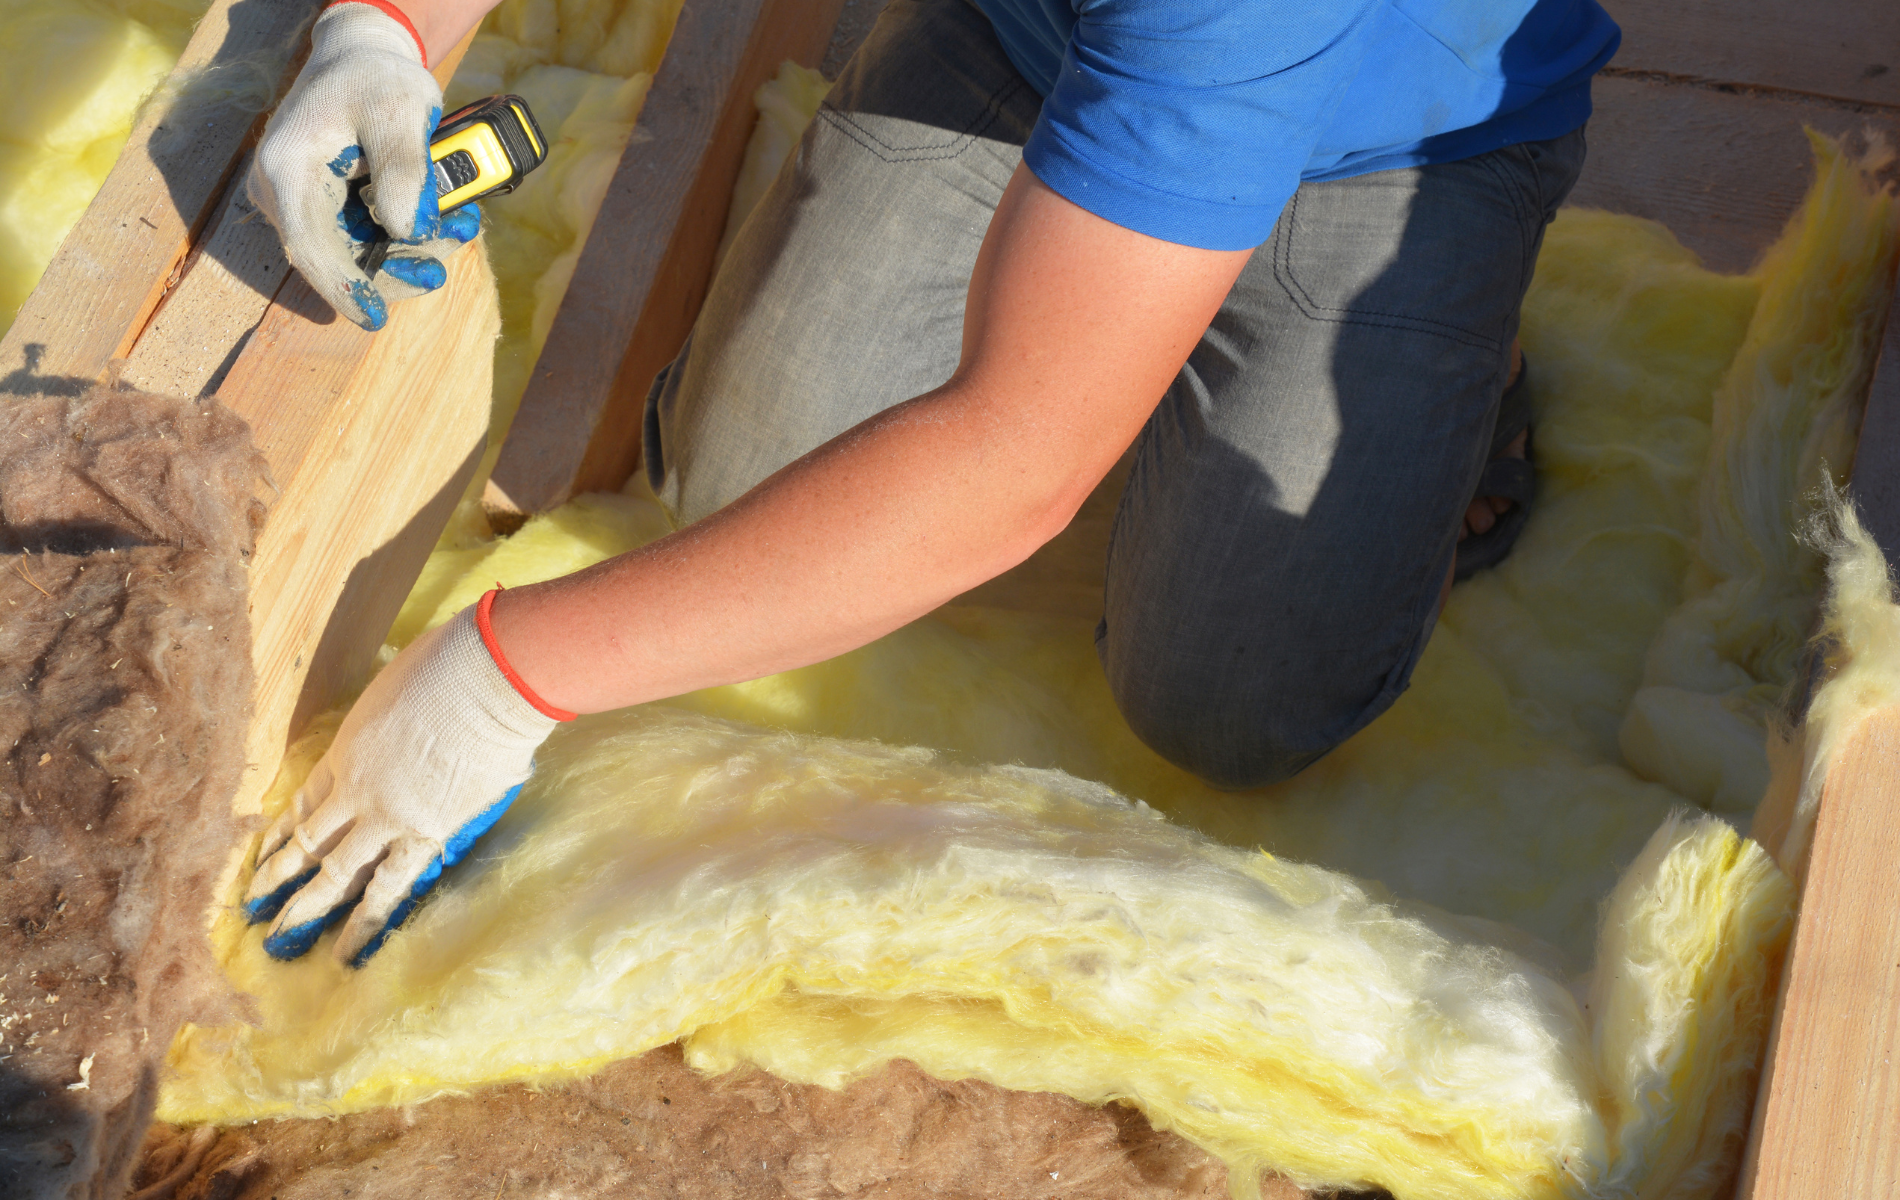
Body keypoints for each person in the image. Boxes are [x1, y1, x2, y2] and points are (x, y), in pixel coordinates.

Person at [242, 0, 1620, 964]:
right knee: (746, 498)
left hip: (1389, 147)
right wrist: (383, 31)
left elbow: (1020, 463)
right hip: (1033, 37)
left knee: (1237, 699)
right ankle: (1105, 271)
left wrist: (500, 676)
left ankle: (1458, 367)